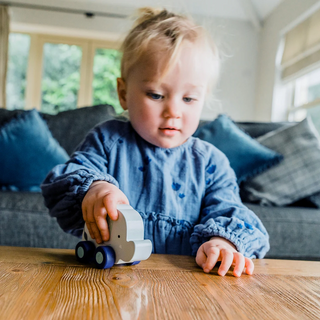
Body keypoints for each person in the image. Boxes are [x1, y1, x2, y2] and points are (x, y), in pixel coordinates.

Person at [41, 8, 269, 277]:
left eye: (188, 99)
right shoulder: (108, 140)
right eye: (157, 94)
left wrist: (222, 242)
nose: (173, 111)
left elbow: (229, 210)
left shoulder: (211, 163)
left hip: (186, 286)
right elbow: (66, 180)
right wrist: (96, 188)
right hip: (110, 281)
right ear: (124, 93)